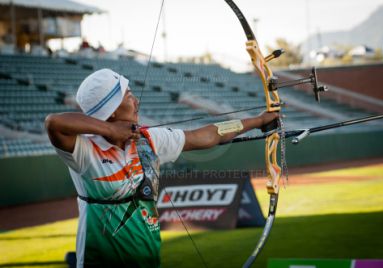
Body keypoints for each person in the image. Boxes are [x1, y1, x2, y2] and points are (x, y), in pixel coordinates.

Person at [45, 68, 278, 267]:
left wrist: (258, 121)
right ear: (112, 109)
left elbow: (209, 135)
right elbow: (54, 123)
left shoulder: (149, 139)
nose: (136, 101)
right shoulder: (84, 151)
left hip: (148, 258)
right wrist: (111, 131)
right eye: (128, 96)